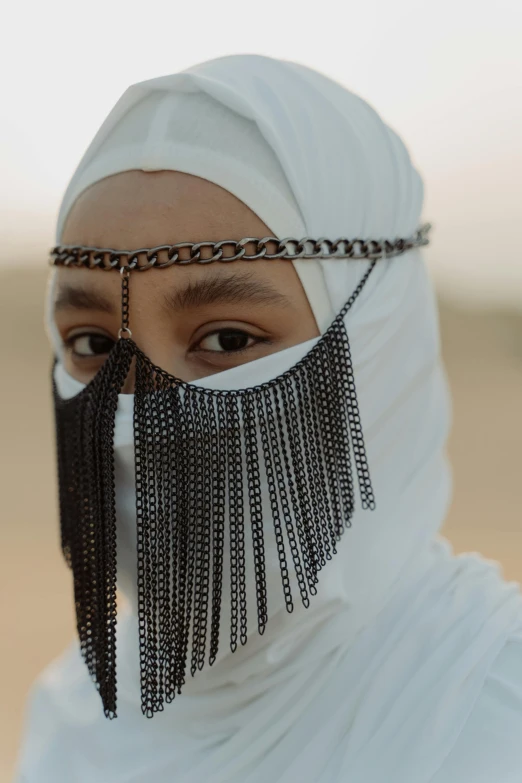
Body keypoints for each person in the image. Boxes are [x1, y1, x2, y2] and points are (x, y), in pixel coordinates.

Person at [14, 54, 522, 783]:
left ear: (376, 350)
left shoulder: (490, 717)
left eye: (227, 340)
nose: (137, 422)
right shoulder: (83, 712)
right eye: (93, 345)